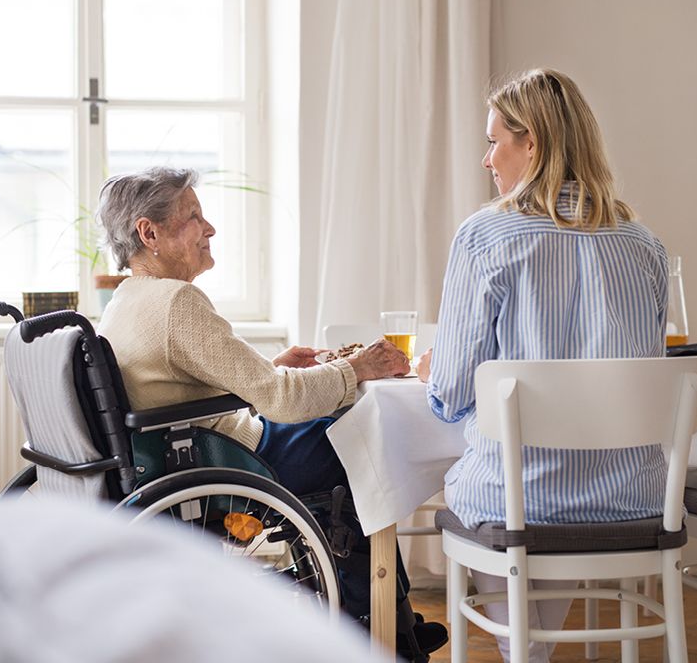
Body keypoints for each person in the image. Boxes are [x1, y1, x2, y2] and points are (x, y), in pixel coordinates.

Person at [95, 167, 446, 660]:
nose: (210, 228)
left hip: (194, 450)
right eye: (193, 217)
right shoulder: (177, 302)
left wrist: (277, 369)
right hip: (229, 461)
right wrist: (357, 367)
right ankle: (383, 628)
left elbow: (189, 383)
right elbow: (280, 399)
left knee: (344, 434)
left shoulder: (128, 300)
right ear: (149, 233)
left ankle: (391, 618)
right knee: (364, 440)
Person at [417, 68, 669, 663]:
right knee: (549, 487)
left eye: (493, 142)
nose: (487, 160)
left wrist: (436, 370)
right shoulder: (645, 244)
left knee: (516, 488)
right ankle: (531, 655)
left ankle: (524, 655)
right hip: (630, 495)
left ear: (531, 143)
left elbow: (451, 394)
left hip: (524, 497)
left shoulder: (485, 236)